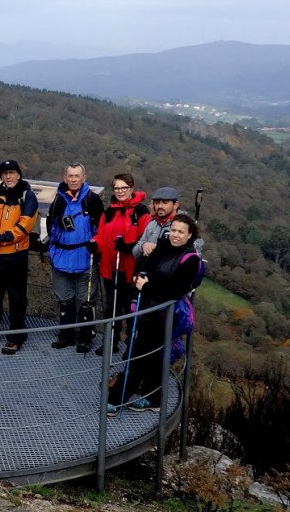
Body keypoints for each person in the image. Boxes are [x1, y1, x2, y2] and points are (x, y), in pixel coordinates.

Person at [109, 214, 202, 414]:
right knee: (149, 356)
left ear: (190, 235)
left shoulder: (191, 259)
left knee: (141, 356)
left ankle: (116, 400)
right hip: (149, 310)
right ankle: (153, 399)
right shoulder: (163, 247)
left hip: (166, 315)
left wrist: (147, 286)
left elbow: (174, 290)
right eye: (173, 230)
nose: (175, 235)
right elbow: (146, 270)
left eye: (180, 232)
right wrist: (143, 285)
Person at [0, 160, 40, 354]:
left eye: (12, 172)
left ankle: (16, 337)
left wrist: (0, 238)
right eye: (5, 173)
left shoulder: (28, 196)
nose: (8, 176)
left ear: (19, 174)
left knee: (17, 297)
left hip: (16, 255)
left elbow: (25, 226)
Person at [89, 173, 150, 355]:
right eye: (117, 188)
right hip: (110, 268)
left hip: (130, 269)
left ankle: (131, 347)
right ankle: (110, 343)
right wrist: (94, 243)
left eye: (124, 188)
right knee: (111, 308)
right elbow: (101, 234)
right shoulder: (109, 212)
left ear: (131, 188)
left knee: (130, 310)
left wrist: (128, 247)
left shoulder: (141, 212)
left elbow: (144, 239)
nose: (120, 191)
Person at [47, 162, 105, 352]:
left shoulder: (92, 200)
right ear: (65, 178)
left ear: (84, 177)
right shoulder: (58, 200)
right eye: (70, 176)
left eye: (77, 176)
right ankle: (66, 335)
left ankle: (85, 337)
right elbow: (51, 226)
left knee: (86, 300)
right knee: (65, 299)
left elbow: (101, 228)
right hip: (61, 256)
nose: (73, 179)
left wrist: (96, 242)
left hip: (85, 256)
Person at [133, 187, 183, 260]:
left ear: (175, 205)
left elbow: (189, 255)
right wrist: (143, 246)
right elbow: (135, 253)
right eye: (157, 203)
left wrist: (159, 250)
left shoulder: (184, 225)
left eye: (165, 203)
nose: (160, 206)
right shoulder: (152, 224)